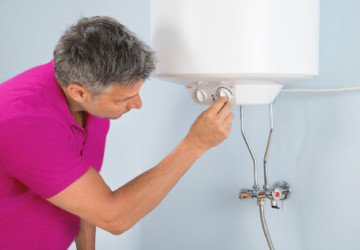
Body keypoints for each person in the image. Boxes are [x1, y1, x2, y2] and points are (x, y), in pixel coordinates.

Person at [0, 16, 233, 249]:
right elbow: (113, 216)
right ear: (79, 93)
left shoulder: (91, 98)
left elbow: (87, 199)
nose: (138, 104)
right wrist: (195, 144)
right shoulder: (24, 122)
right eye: (125, 99)